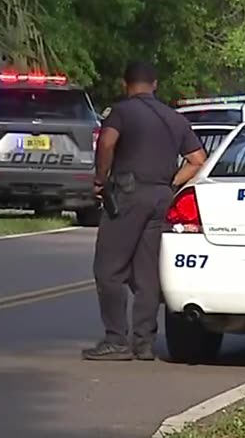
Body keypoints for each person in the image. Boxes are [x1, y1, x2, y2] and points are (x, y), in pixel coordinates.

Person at [84, 61, 208, 361]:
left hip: (128, 194)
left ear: (125, 84)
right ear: (155, 84)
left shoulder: (121, 112)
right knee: (147, 272)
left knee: (108, 269)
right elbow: (198, 159)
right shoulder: (174, 118)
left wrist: (101, 179)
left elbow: (107, 142)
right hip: (161, 197)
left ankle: (116, 339)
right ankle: (144, 342)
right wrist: (171, 182)